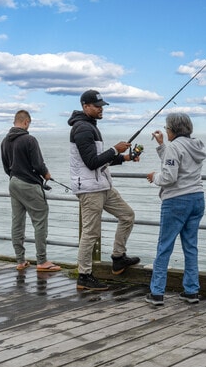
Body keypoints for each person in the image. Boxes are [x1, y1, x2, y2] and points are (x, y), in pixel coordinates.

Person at [68, 89, 141, 290]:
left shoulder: (90, 126)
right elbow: (92, 162)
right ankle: (84, 275)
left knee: (127, 215)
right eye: (97, 106)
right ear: (85, 106)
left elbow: (101, 160)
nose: (101, 109)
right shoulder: (82, 128)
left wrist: (125, 157)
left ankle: (118, 257)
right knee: (91, 232)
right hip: (90, 189)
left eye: (102, 105)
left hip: (103, 185)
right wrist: (116, 149)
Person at [145, 112, 206, 306]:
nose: (166, 130)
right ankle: (191, 290)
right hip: (197, 198)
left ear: (173, 129)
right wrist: (161, 145)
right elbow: (178, 162)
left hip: (176, 201)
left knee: (164, 247)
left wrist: (154, 177)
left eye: (166, 128)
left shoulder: (175, 147)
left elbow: (169, 177)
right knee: (191, 246)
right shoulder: (196, 145)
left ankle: (156, 293)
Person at [1, 110, 61, 272]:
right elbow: (38, 164)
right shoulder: (29, 139)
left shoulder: (5, 141)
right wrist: (46, 174)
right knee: (40, 220)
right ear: (26, 122)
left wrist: (16, 176)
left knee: (17, 222)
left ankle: (20, 260)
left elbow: (6, 166)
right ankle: (42, 261)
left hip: (13, 182)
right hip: (29, 184)